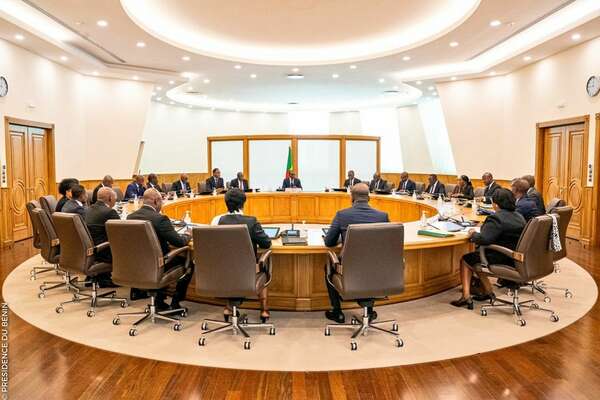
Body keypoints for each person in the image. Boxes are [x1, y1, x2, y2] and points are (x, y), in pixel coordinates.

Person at [323, 183, 390, 323]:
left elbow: (329, 242)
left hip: (350, 271)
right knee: (372, 263)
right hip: (378, 271)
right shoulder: (383, 216)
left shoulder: (342, 215)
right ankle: (369, 311)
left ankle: (337, 312)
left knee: (329, 265)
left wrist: (343, 237)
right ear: (369, 198)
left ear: (352, 198)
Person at [450, 188, 526, 309]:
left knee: (466, 260)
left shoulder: (496, 218)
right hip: (515, 257)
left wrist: (473, 233)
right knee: (477, 259)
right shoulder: (519, 216)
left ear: (495, 204)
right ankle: (488, 291)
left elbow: (484, 239)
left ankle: (466, 296)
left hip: (501, 257)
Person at [211, 188, 272, 321]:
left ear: (226, 203)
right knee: (264, 266)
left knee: (230, 266)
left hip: (221, 272)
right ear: (243, 203)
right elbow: (267, 244)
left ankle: (229, 307)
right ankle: (264, 310)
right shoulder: (251, 222)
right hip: (246, 273)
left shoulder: (216, 221)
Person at [127, 189, 192, 310]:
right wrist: (188, 234)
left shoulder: (130, 217)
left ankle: (158, 300)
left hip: (138, 265)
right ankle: (175, 303)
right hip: (158, 265)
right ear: (156, 201)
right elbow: (180, 242)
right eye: (161, 201)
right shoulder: (160, 219)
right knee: (189, 263)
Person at [84, 187, 119, 287]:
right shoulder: (110, 212)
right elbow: (120, 234)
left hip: (89, 250)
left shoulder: (88, 209)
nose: (115, 201)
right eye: (115, 198)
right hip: (103, 252)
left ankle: (100, 276)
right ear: (110, 198)